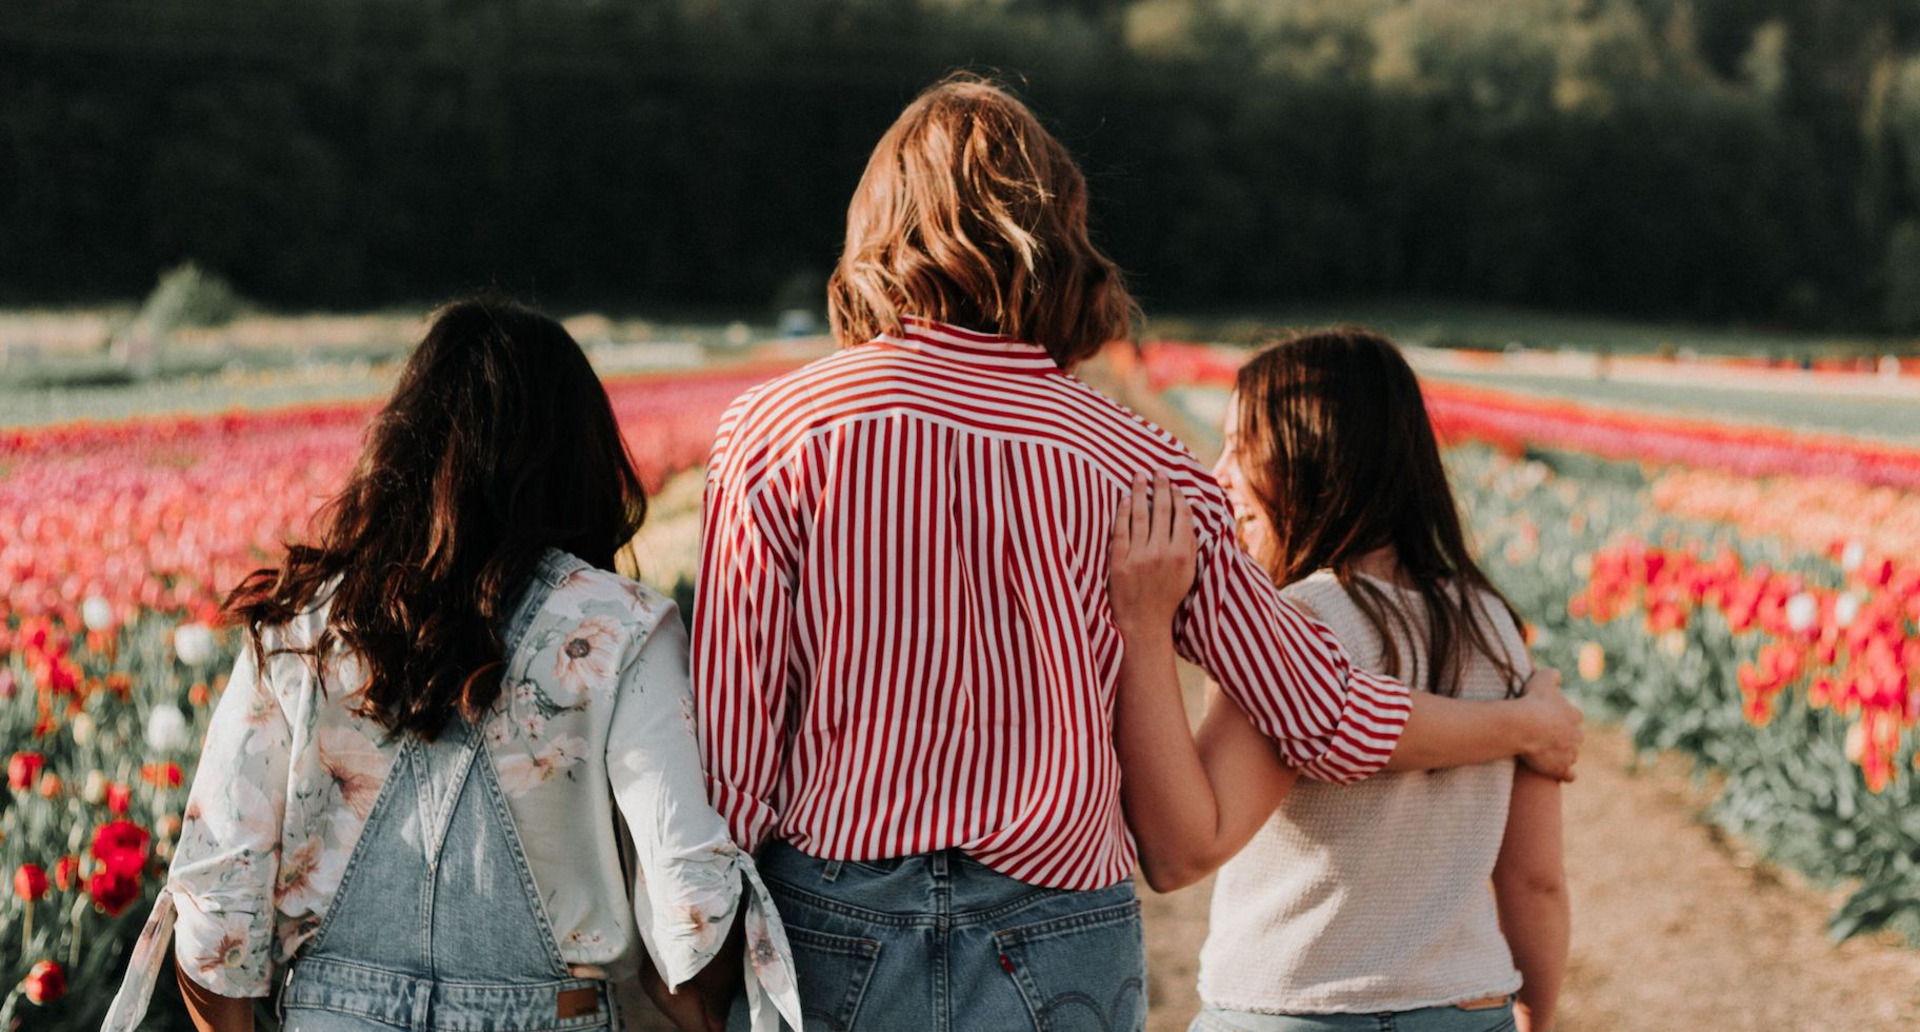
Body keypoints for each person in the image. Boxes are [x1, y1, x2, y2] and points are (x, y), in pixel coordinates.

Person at [693, 76, 1582, 1032]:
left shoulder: (779, 431)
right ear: (1058, 235)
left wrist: (699, 958)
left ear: (879, 231)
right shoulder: (1139, 464)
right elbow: (1323, 714)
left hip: (831, 915)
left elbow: (734, 747)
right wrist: (1518, 727)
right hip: (1055, 923)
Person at [101, 298, 802, 1032]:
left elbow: (215, 910)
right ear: (578, 453)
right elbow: (690, 907)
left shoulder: (301, 623)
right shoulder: (620, 627)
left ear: (403, 445)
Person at [1106, 327, 1569, 1032]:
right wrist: (1535, 1008)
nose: (1219, 474)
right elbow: (1535, 879)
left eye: (1241, 447)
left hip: (1297, 1005)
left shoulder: (1293, 623)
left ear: (1311, 455)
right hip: (1468, 1010)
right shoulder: (1495, 627)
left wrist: (1144, 628)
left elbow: (1180, 850)